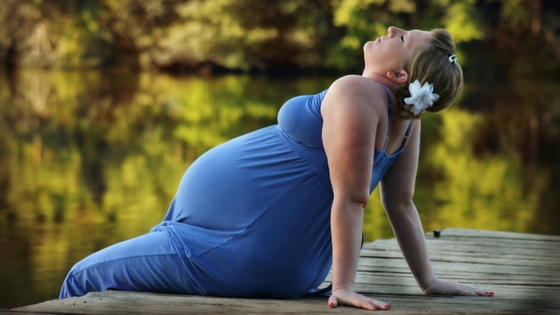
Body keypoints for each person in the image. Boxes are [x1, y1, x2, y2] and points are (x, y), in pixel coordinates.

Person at [59, 26, 494, 311]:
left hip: (230, 248)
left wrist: (342, 287)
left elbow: (352, 198)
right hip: (251, 248)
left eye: (401, 39)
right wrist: (428, 280)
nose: (392, 29)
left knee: (81, 279)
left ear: (400, 76)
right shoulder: (407, 120)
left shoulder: (356, 92)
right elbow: (401, 204)